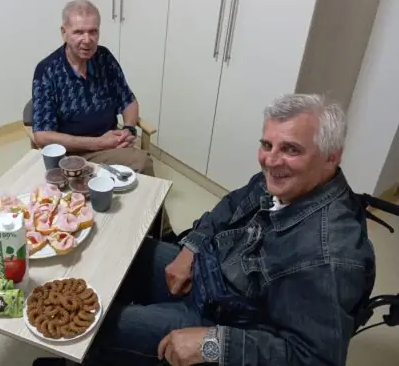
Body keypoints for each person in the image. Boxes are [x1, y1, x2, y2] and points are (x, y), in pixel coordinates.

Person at [33, 93, 375, 366]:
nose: (271, 161)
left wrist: (214, 344)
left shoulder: (330, 256)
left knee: (99, 328)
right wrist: (190, 249)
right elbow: (227, 208)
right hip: (210, 274)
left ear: (331, 157)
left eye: (291, 149)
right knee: (120, 251)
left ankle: (102, 348)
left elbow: (313, 358)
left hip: (226, 321)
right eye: (267, 145)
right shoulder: (281, 182)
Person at [31, 0, 153, 176]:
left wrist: (128, 129)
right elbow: (42, 136)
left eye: (93, 31)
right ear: (64, 32)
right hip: (71, 154)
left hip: (110, 147)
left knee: (140, 168)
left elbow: (129, 101)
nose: (87, 40)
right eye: (79, 32)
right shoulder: (47, 70)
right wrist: (98, 143)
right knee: (140, 164)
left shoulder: (104, 58)